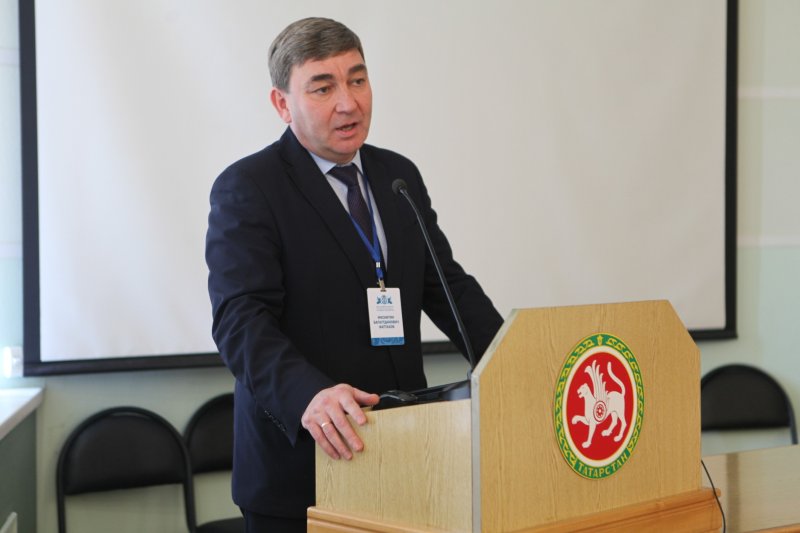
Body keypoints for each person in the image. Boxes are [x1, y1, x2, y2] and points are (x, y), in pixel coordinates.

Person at [205, 16, 503, 532]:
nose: (348, 103)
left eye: (357, 80)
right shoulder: (250, 186)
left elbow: (446, 286)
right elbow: (241, 318)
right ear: (282, 104)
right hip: (303, 469)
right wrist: (308, 395)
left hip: (405, 455)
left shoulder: (397, 176)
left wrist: (512, 362)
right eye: (323, 87)